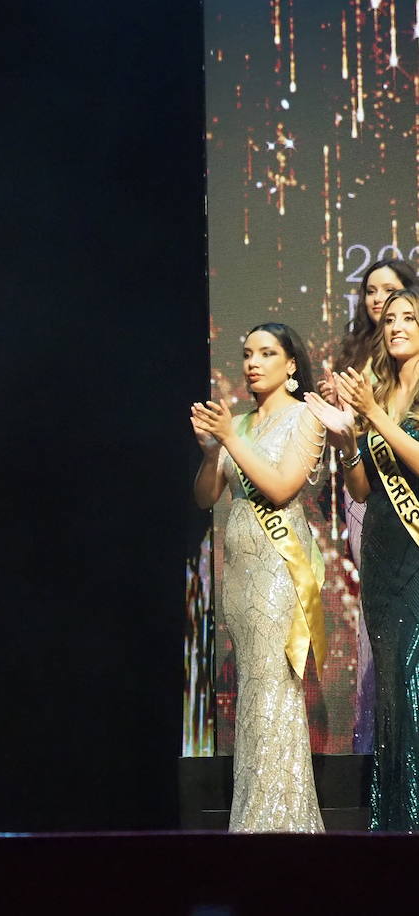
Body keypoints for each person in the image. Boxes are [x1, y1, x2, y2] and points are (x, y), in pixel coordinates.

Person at [191, 322, 326, 832]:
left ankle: (277, 824)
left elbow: (281, 486)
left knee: (274, 690)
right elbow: (205, 497)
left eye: (267, 353)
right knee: (254, 692)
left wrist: (228, 437)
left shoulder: (305, 417)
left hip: (279, 572)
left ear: (291, 366)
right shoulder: (240, 424)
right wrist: (211, 455)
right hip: (241, 574)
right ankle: (256, 816)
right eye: (247, 353)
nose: (253, 362)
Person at [321, 289, 419, 830]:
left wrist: (376, 416)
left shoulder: (391, 400)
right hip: (383, 555)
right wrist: (347, 436)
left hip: (417, 556)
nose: (397, 325)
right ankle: (396, 825)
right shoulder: (381, 391)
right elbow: (360, 490)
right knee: (392, 697)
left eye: (411, 317)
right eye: (390, 319)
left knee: (414, 684)